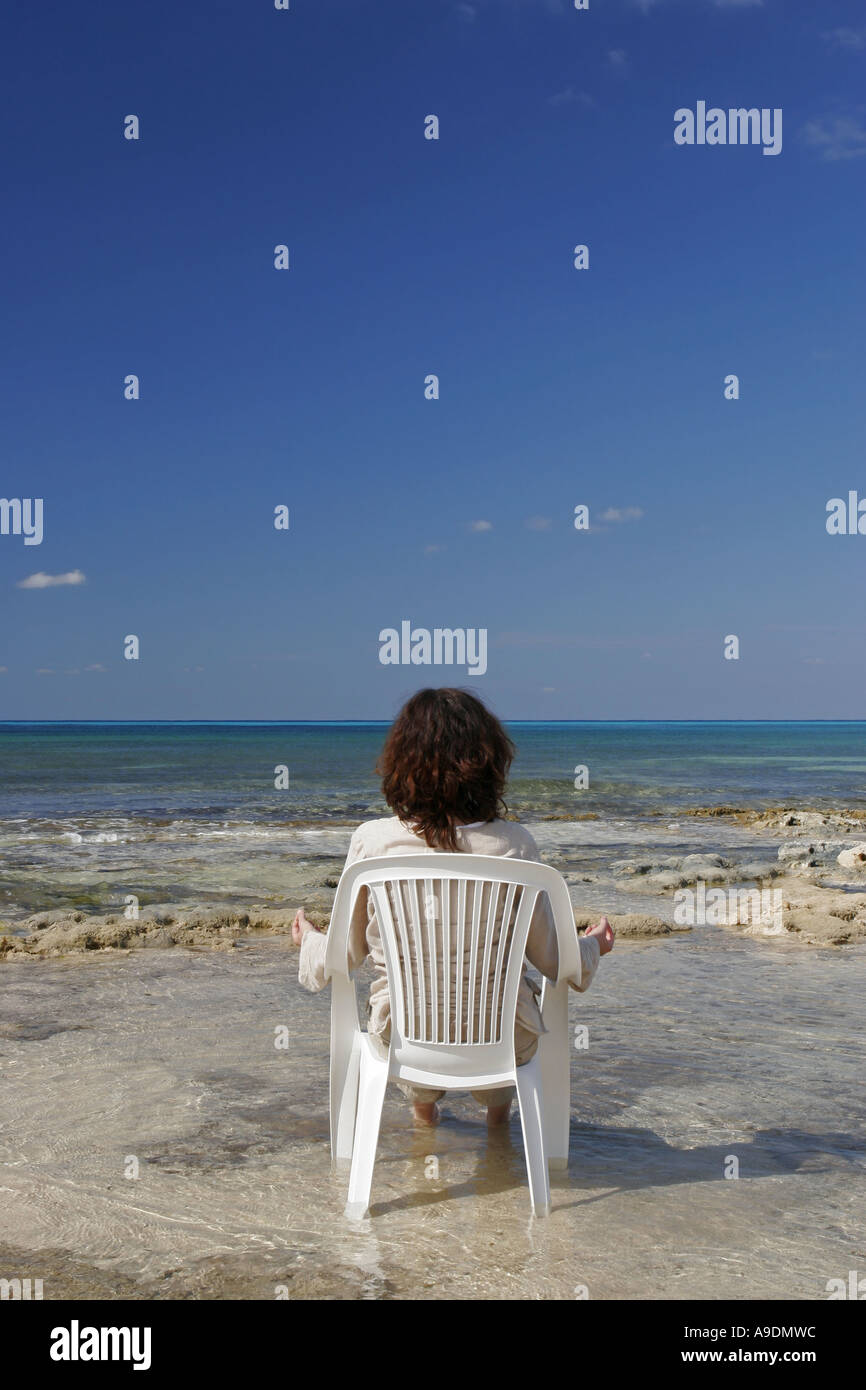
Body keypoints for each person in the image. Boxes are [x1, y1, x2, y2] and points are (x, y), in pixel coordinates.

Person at [293, 687, 614, 1127]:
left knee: (408, 1004)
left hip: (404, 1035)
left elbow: (344, 955)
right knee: (508, 1006)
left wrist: (309, 940)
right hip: (504, 1038)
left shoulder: (373, 842)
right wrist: (594, 945)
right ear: (488, 763)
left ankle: (423, 1109)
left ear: (401, 764)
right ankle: (499, 1117)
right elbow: (555, 961)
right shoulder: (515, 845)